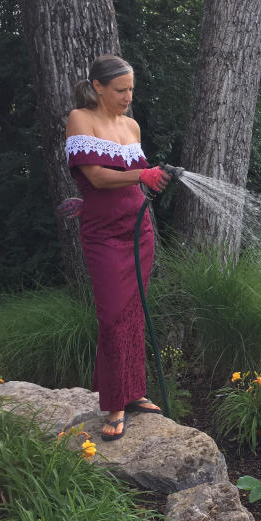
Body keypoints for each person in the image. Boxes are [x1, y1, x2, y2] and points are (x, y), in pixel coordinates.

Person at [62, 54, 172, 441]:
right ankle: (113, 403)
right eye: (121, 90)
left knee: (132, 312)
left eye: (131, 90)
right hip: (104, 233)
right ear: (98, 87)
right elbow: (95, 176)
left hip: (138, 228)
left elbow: (132, 182)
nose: (128, 97)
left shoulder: (132, 125)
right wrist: (141, 173)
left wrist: (149, 180)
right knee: (111, 316)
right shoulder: (81, 118)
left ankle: (134, 391)